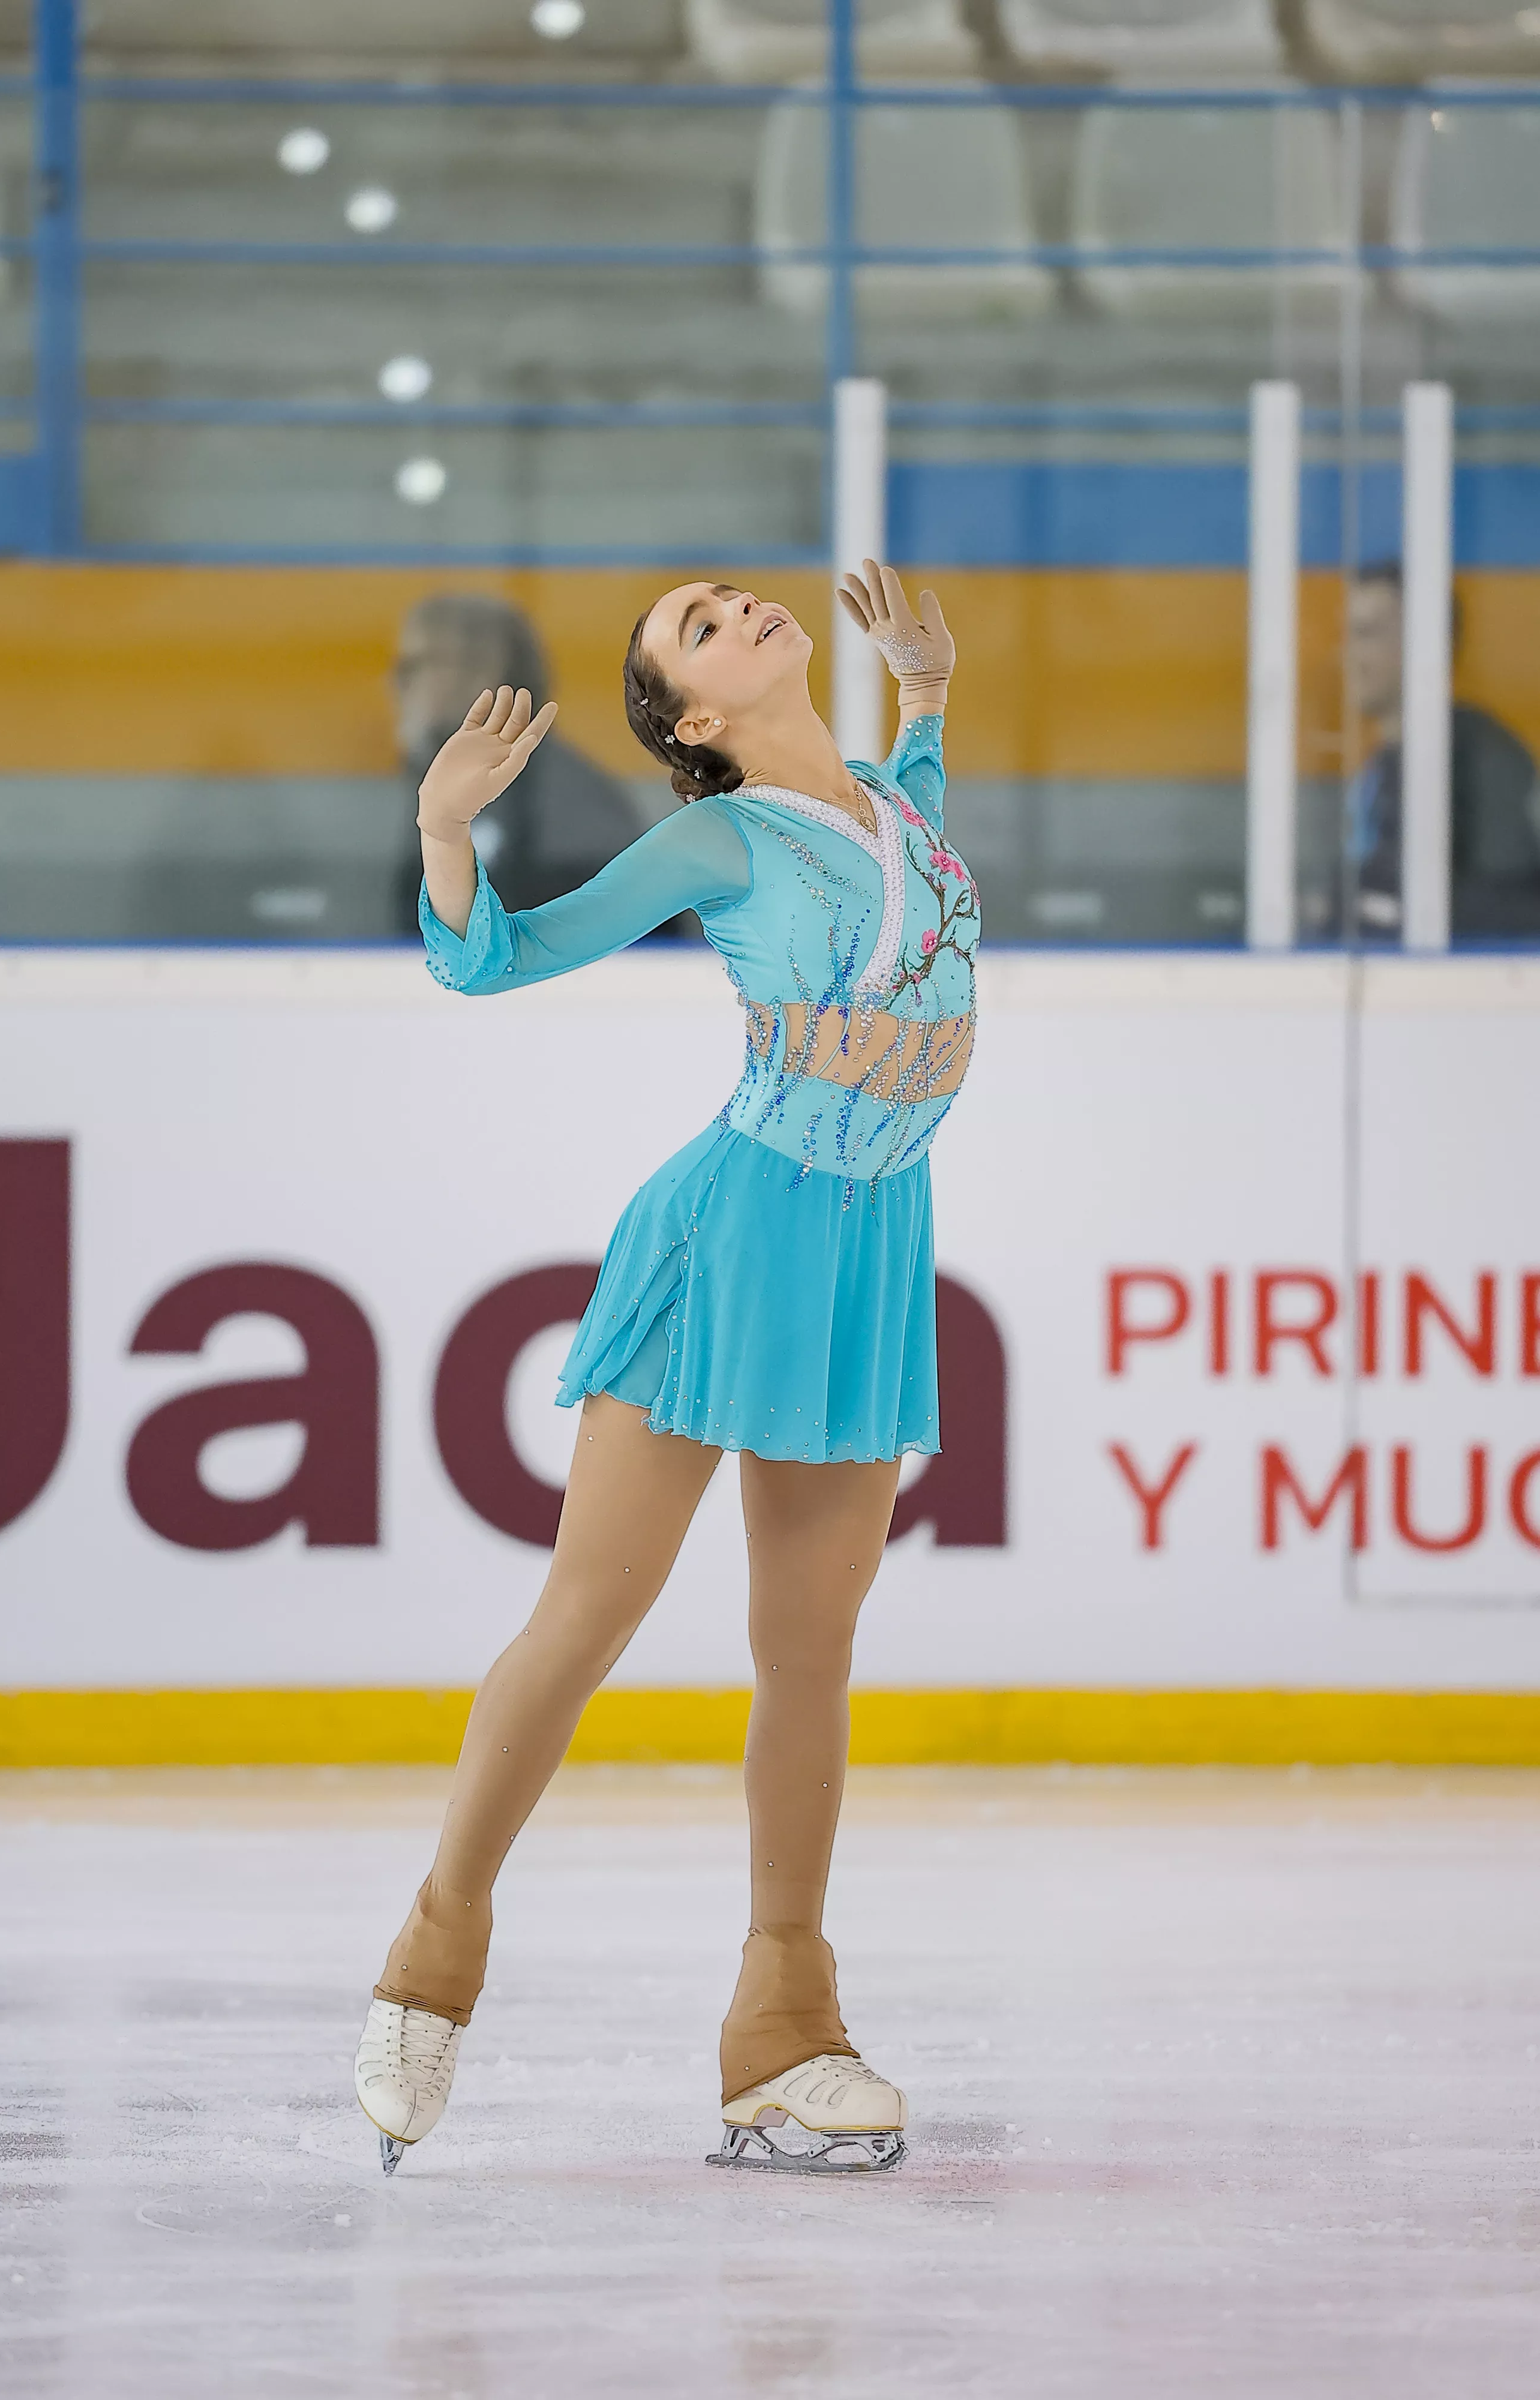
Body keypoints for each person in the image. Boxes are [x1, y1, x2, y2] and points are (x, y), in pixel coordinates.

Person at [353, 563, 975, 2177]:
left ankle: (783, 2029)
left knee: (810, 1648)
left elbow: (901, 846)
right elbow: (496, 962)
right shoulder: (717, 835)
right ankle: (434, 1950)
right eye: (700, 627)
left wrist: (925, 698)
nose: (742, 609)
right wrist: (444, 832)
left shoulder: (895, 806)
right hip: (736, 1230)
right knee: (592, 1612)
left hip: (869, 1245)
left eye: (736, 595)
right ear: (696, 718)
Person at [392, 592, 644, 930]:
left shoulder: (568, 800)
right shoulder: (449, 779)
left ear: (480, 670)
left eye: (417, 664)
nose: (398, 682)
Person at [1338, 562, 1540, 943]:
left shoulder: (1482, 759)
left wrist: (1379, 907)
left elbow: (1517, 906)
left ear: (1425, 643)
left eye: (1366, 634)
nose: (1348, 654)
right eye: (1348, 634)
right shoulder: (1380, 765)